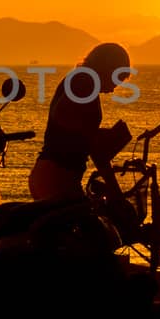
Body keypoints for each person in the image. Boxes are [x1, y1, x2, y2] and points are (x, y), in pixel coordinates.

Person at [29, 44, 137, 231]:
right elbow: (61, 114)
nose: (114, 88)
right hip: (57, 176)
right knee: (90, 240)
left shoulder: (83, 81)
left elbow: (72, 129)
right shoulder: (84, 81)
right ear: (108, 68)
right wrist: (95, 136)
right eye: (117, 79)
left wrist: (95, 135)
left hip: (55, 175)